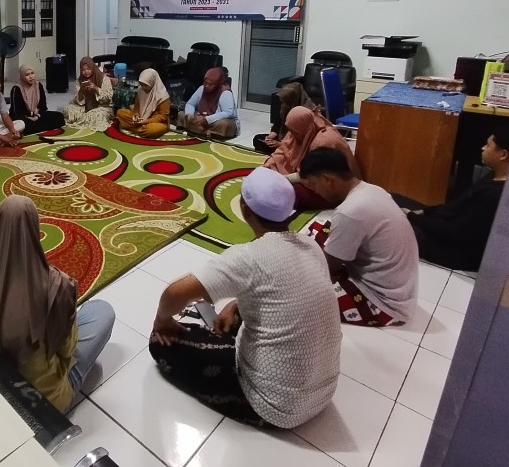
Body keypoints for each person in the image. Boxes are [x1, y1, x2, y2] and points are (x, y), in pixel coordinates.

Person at [149, 168, 341, 427]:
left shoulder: (247, 257)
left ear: (243, 208)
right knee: (231, 314)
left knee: (159, 342)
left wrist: (162, 321)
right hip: (324, 394)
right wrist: (234, 305)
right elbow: (279, 290)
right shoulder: (310, 245)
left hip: (275, 408)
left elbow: (175, 293)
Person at [0, 195, 115, 411]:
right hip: (44, 403)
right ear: (35, 229)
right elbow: (67, 350)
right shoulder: (57, 286)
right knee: (102, 311)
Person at [299, 147, 419, 327]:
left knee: (298, 287)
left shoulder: (349, 212)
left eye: (314, 185)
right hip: (400, 291)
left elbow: (328, 267)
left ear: (327, 179)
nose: (315, 192)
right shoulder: (373, 189)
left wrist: (300, 263)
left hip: (382, 304)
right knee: (320, 229)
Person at [404, 132, 509, 271]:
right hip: (445, 229)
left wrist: (412, 217)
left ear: (503, 154)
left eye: (488, 145)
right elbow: (455, 208)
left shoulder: (494, 194)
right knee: (394, 200)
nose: (482, 148)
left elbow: (455, 231)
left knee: (391, 224)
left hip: (450, 251)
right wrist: (424, 212)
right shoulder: (493, 178)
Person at [263, 106, 359, 210]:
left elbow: (317, 174)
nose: (292, 135)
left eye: (294, 132)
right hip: (310, 177)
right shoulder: (300, 128)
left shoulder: (324, 141)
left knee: (290, 193)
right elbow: (284, 148)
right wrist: (268, 164)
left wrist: (284, 179)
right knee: (268, 172)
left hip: (331, 189)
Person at [253, 81, 318, 154]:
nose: (283, 103)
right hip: (283, 139)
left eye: (286, 100)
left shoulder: (306, 113)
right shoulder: (285, 107)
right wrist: (270, 137)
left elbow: (303, 142)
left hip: (296, 147)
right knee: (257, 139)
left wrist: (281, 144)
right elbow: (278, 124)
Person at [177, 67, 239, 140]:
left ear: (217, 84)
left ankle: (203, 132)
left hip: (217, 121)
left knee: (223, 124)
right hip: (202, 119)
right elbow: (190, 104)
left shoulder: (225, 93)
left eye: (211, 84)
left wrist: (207, 119)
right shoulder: (202, 88)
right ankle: (206, 133)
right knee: (181, 114)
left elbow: (228, 113)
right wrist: (189, 114)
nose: (207, 86)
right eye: (205, 83)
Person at [9, 64, 65, 135]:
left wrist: (37, 116)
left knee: (59, 116)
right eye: (27, 75)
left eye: (32, 73)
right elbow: (17, 112)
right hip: (23, 118)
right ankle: (37, 128)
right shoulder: (16, 89)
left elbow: (43, 106)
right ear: (22, 76)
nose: (31, 77)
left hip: (38, 115)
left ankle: (35, 129)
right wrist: (31, 116)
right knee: (23, 124)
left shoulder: (38, 85)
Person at [116, 68, 170, 138]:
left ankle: (136, 129)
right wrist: (136, 116)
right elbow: (137, 106)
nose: (143, 87)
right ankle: (139, 129)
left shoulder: (162, 96)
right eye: (141, 84)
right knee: (120, 113)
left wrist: (146, 121)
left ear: (152, 82)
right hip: (141, 118)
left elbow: (163, 116)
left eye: (146, 85)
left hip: (156, 122)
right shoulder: (140, 90)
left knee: (150, 130)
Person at [62, 57, 113, 131]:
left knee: (99, 116)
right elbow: (77, 101)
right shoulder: (79, 81)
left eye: (88, 69)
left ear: (92, 67)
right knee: (68, 110)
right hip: (84, 107)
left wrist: (96, 88)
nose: (86, 72)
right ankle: (86, 118)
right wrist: (81, 91)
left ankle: (84, 119)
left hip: (101, 107)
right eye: (83, 70)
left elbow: (108, 98)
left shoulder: (103, 78)